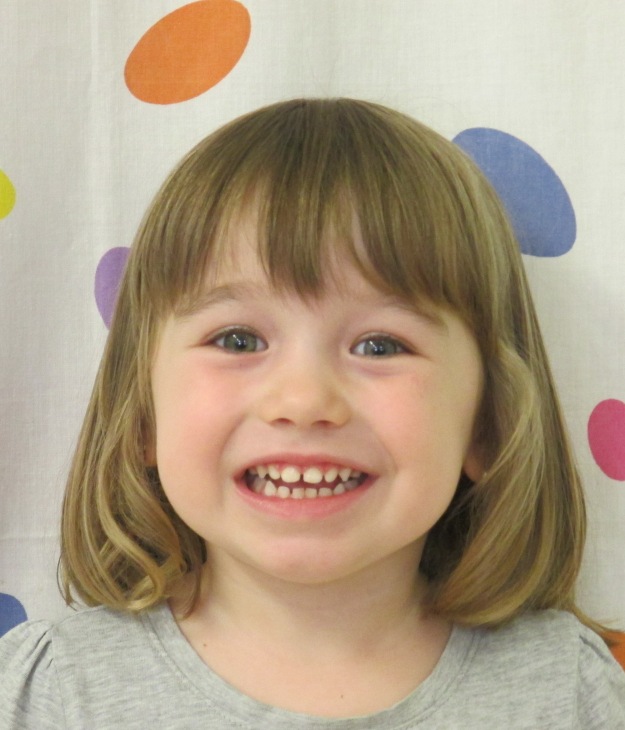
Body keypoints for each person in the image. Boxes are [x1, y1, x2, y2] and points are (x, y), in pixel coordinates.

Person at [1, 98, 624, 728]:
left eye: (380, 346)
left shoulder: (566, 690)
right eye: (238, 340)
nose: (303, 402)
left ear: (488, 423)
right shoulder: (54, 690)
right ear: (143, 416)